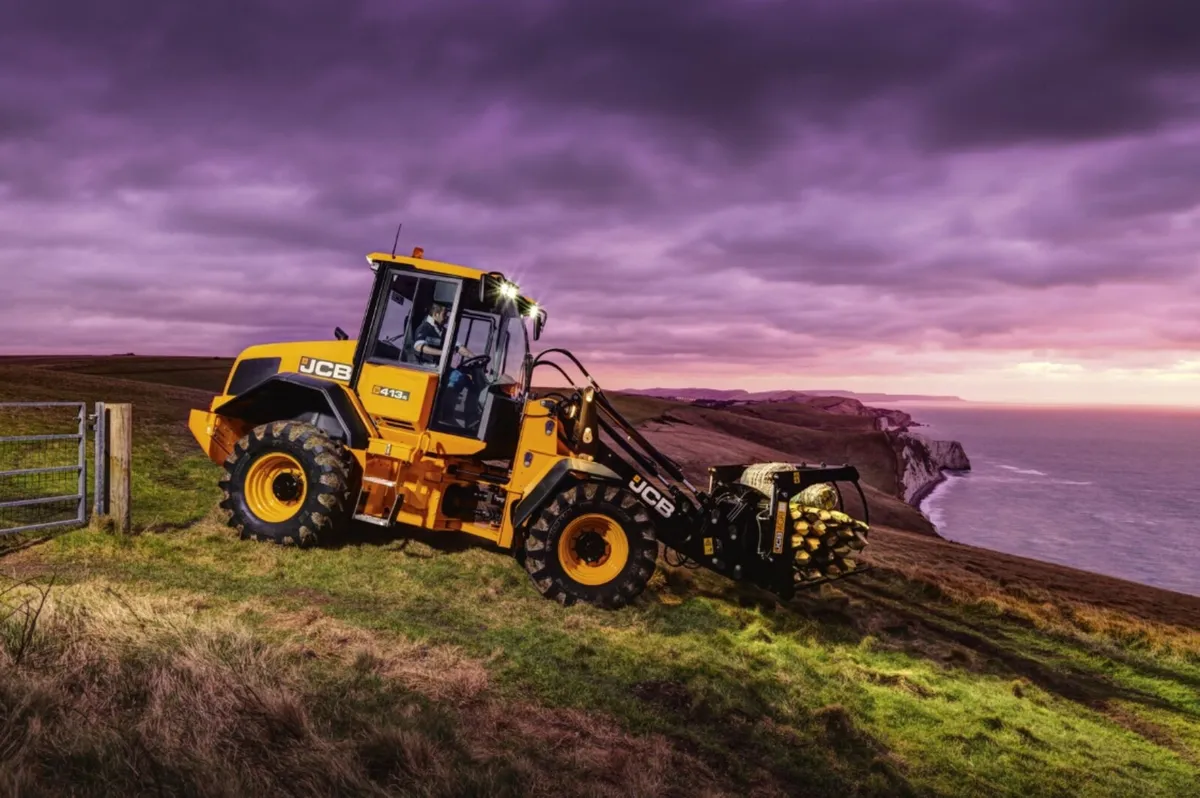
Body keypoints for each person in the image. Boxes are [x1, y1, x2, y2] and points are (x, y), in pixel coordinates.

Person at [413, 303, 483, 427]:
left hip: (440, 367)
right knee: (457, 377)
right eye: (444, 314)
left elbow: (459, 347)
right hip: (427, 366)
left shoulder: (443, 331)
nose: (447, 317)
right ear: (435, 314)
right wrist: (443, 353)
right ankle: (445, 414)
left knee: (467, 380)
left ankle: (470, 419)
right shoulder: (425, 328)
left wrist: (475, 358)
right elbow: (418, 346)